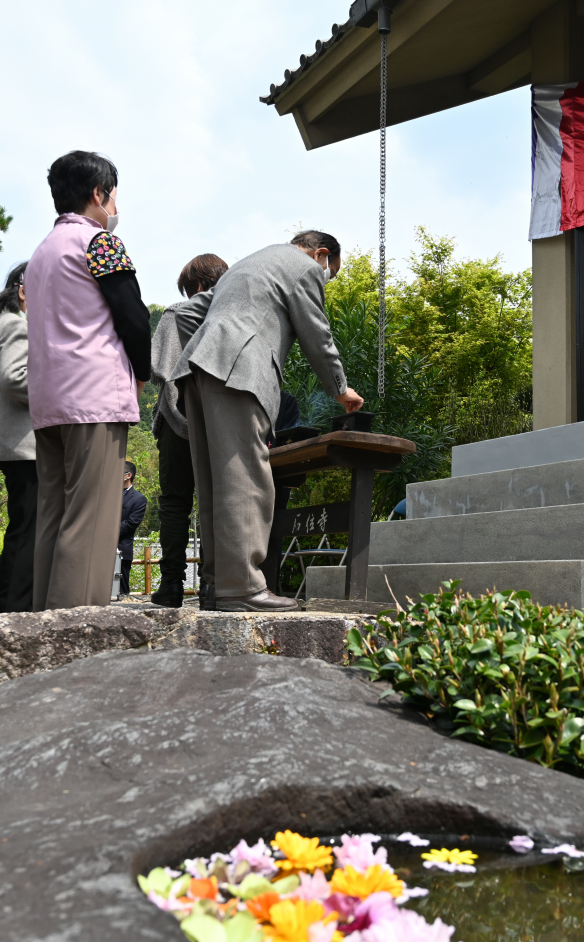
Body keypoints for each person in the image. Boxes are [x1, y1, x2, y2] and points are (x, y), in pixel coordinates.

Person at [171, 230, 363, 612]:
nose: (326, 279)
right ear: (321, 255)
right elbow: (316, 331)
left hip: (198, 369)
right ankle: (242, 588)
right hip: (239, 370)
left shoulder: (247, 264)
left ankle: (216, 586)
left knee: (215, 482)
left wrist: (212, 342)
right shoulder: (302, 267)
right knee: (246, 478)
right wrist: (341, 390)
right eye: (331, 273)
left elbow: (186, 312)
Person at [24, 151, 150, 611]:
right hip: (95, 396)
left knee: (54, 517)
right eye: (114, 195)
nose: (115, 206)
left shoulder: (41, 253)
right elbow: (133, 317)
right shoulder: (99, 243)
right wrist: (143, 373)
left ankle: (42, 619)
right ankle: (72, 634)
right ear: (99, 194)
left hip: (48, 400)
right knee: (92, 519)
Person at [148, 253, 227, 607]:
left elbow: (158, 368)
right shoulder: (233, 318)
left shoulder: (176, 313)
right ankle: (215, 586)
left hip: (176, 421)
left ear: (195, 284)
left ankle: (171, 587)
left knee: (175, 503)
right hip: (219, 423)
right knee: (220, 502)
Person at [0, 262, 37, 616]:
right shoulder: (16, 324)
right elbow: (16, 380)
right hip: (25, 446)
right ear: (23, 290)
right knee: (28, 532)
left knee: (24, 528)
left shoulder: (7, 323)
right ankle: (10, 613)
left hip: (16, 445)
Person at [117, 461, 148, 595]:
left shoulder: (139, 499)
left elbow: (131, 523)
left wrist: (106, 530)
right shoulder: (107, 495)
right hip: (101, 549)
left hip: (122, 548)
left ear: (128, 475)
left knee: (121, 591)